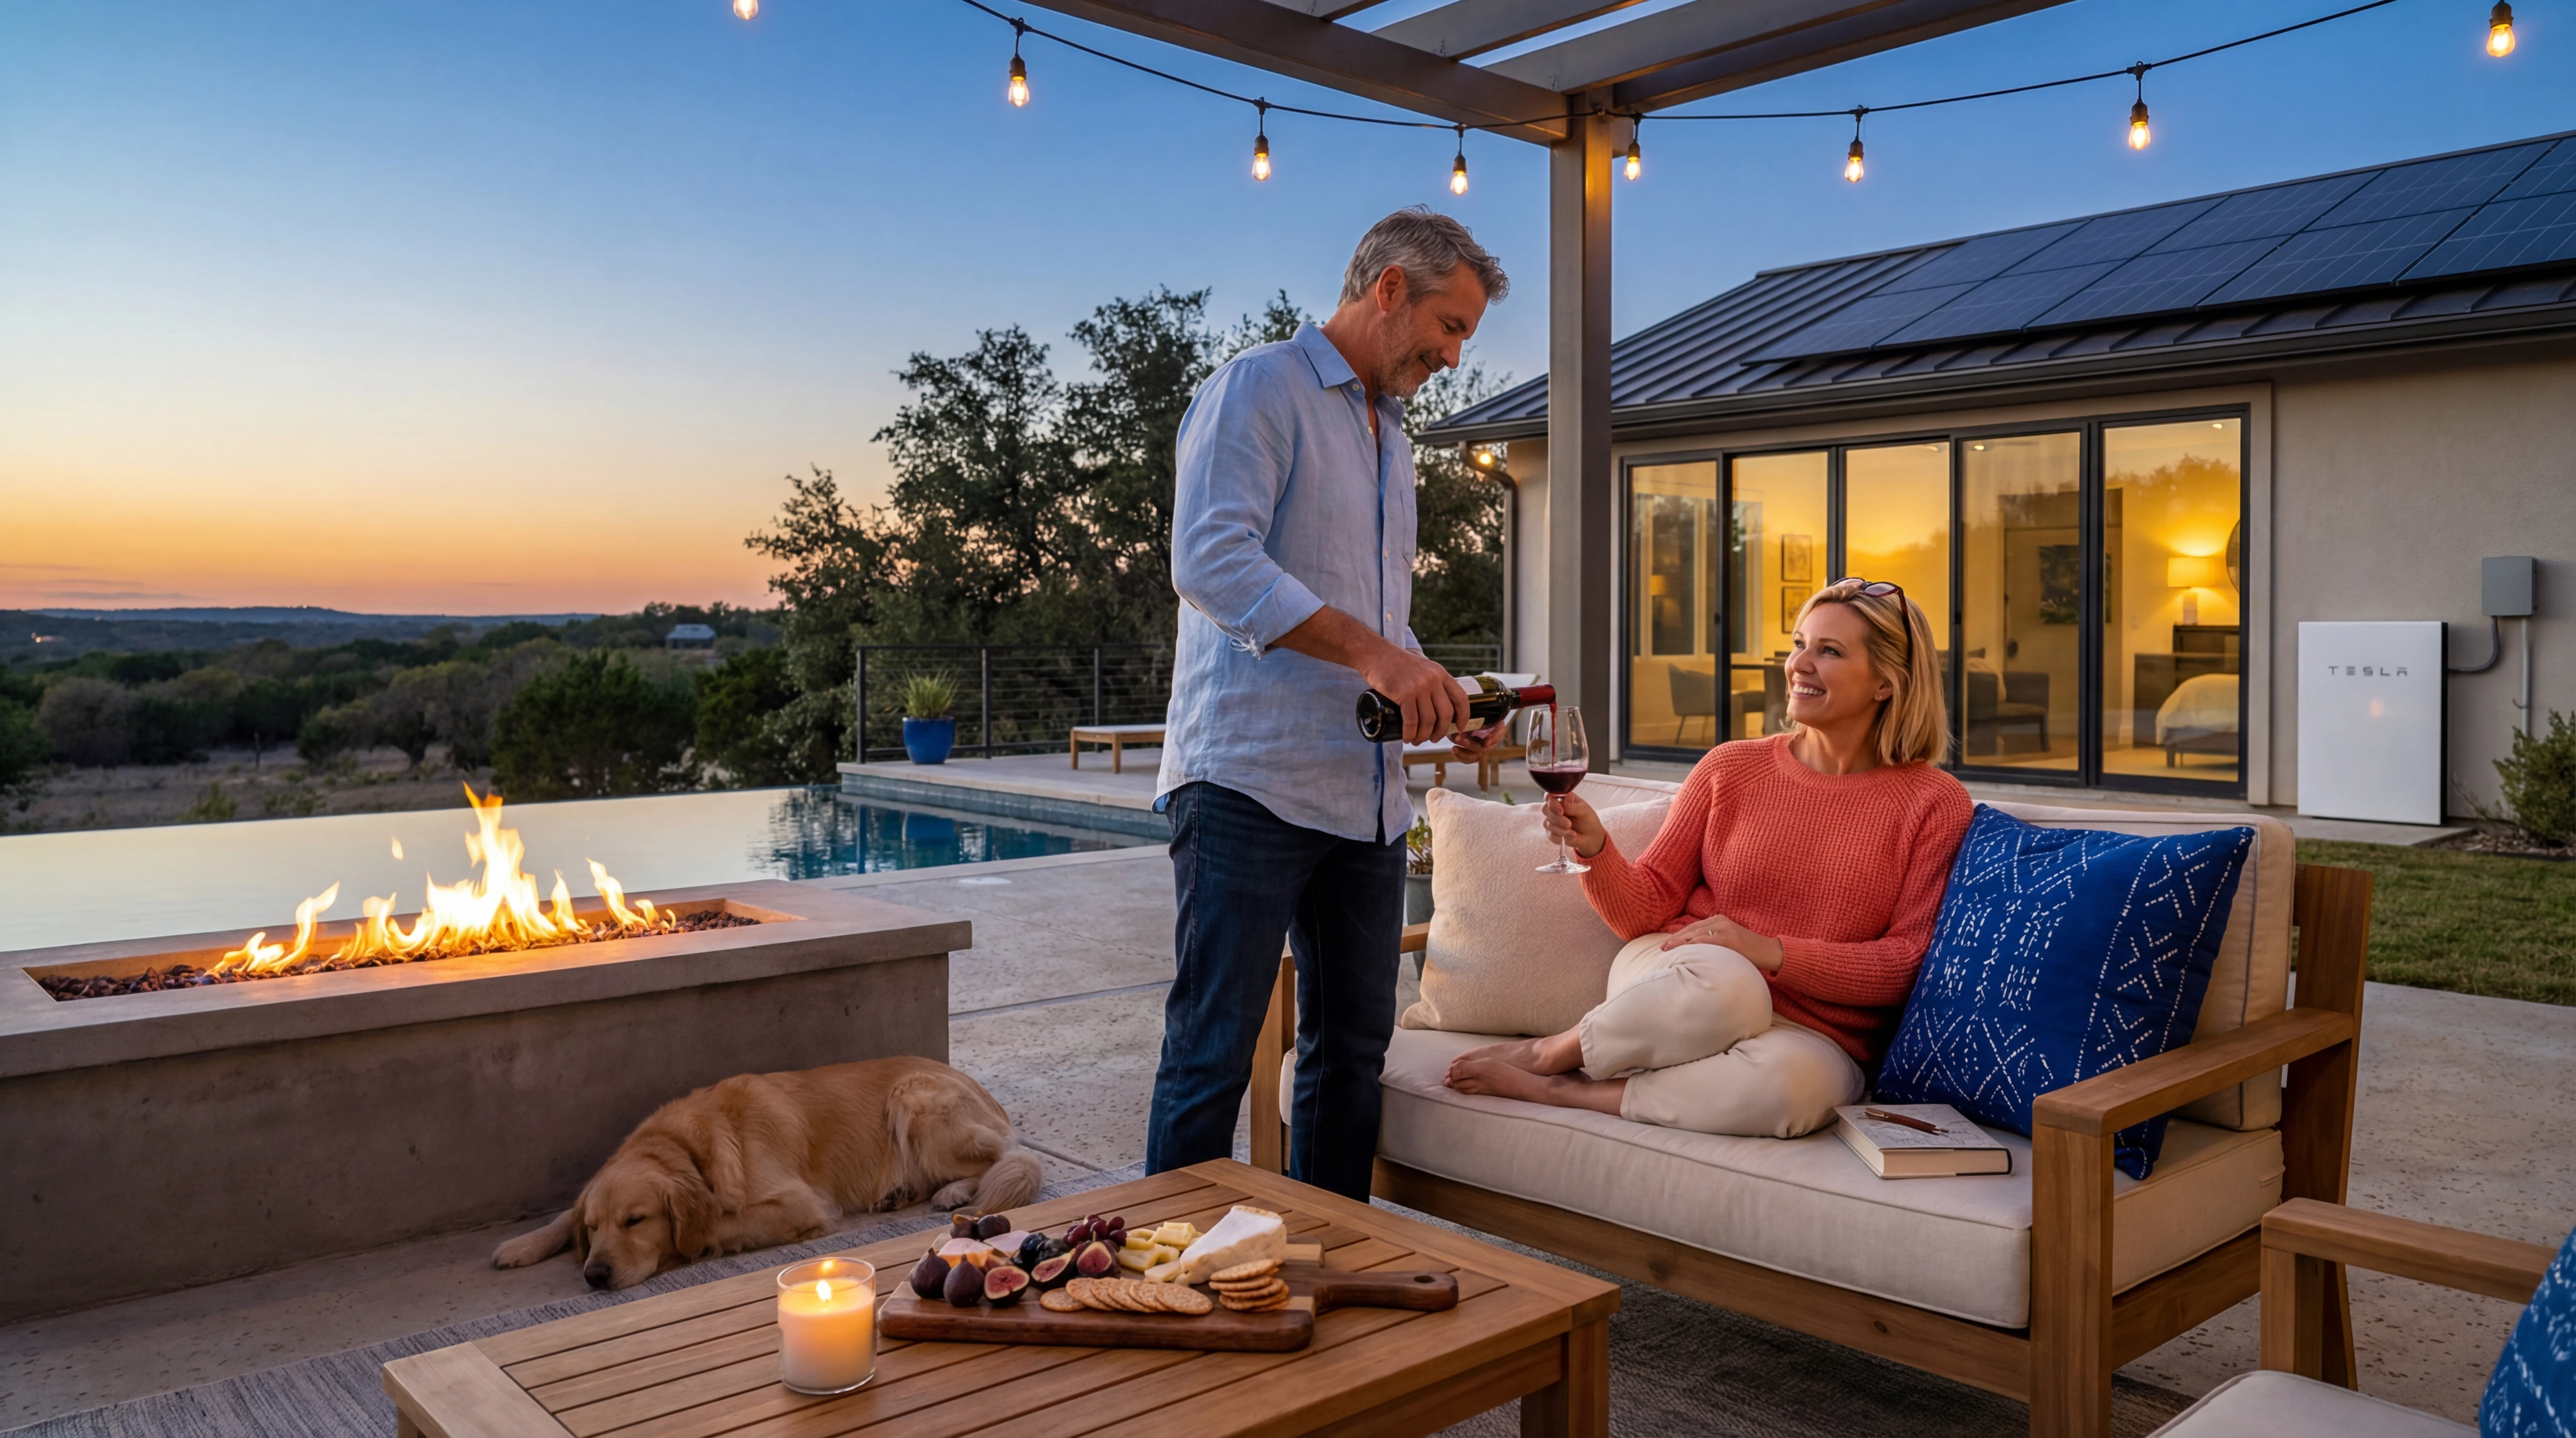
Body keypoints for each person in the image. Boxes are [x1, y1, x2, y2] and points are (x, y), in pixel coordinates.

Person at [1148, 210, 1510, 1199]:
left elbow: (1375, 618)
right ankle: (1163, 1289)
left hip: (1367, 797)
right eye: (1452, 324)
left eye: (1467, 335)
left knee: (1352, 1051)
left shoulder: (1391, 436)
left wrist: (1440, 691)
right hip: (1248, 784)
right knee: (1210, 1050)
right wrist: (1378, 657)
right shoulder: (1260, 387)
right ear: (1388, 287)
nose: (1454, 351)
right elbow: (1212, 562)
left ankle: (1323, 1258)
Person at [1445, 579, 1973, 1138]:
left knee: (1792, 1091)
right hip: (1687, 974)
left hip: (1815, 1031)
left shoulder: (1932, 803)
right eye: (1798, 643)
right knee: (1732, 988)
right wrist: (1595, 849)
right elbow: (1643, 913)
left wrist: (1768, 951)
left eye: (1829, 651)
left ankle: (1574, 1091)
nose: (1799, 665)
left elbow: (1903, 963)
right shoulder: (1730, 767)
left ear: (1886, 683)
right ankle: (1553, 1053)